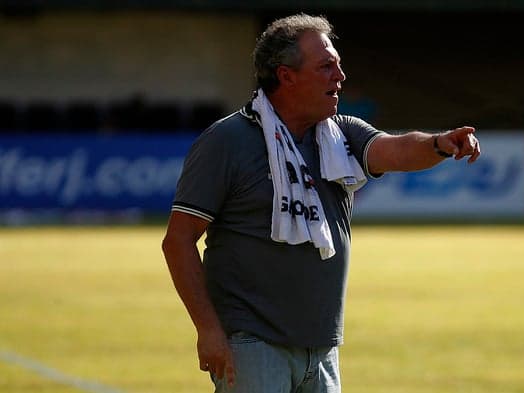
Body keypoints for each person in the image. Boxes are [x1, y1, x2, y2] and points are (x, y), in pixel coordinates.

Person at [162, 13, 480, 393]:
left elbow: (396, 150)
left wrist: (439, 144)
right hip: (252, 347)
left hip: (323, 350)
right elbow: (178, 241)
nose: (339, 77)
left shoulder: (341, 134)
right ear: (286, 76)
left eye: (338, 66)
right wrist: (209, 331)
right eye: (326, 66)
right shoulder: (227, 141)